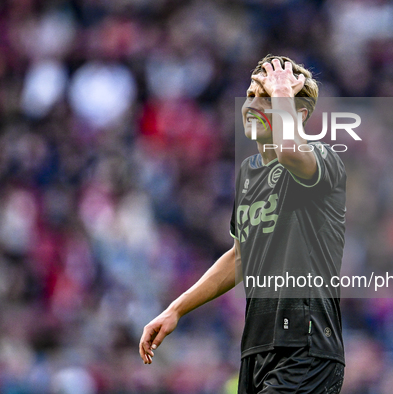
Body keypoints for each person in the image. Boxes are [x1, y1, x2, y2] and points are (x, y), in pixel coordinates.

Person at [140, 54, 347, 393]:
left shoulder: (323, 160)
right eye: (251, 95)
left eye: (265, 97)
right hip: (257, 350)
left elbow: (290, 150)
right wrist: (175, 310)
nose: (252, 104)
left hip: (307, 348)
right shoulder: (249, 174)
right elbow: (240, 257)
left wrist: (282, 95)